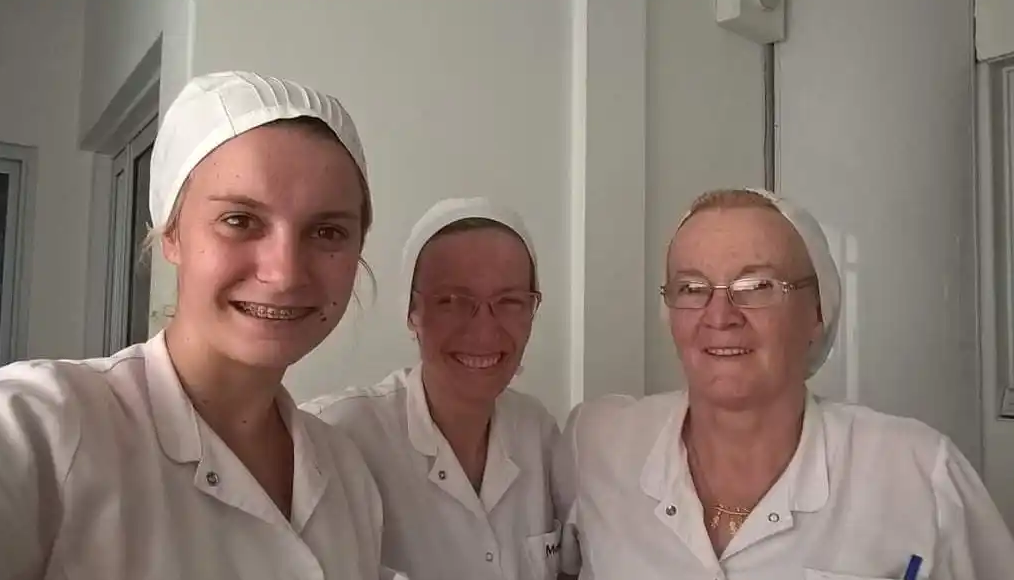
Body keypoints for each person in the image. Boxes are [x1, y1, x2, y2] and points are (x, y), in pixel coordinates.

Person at [0, 71, 394, 579]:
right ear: (170, 234)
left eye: (327, 231)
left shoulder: (346, 473)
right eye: (240, 220)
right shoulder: (44, 427)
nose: (284, 273)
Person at [553, 187, 1014, 579]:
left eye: (757, 286)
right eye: (692, 288)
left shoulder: (918, 474)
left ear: (818, 312)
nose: (720, 317)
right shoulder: (599, 445)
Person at [301, 197, 563, 580]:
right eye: (453, 301)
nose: (484, 330)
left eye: (509, 301)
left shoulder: (538, 432)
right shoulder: (337, 435)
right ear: (412, 312)